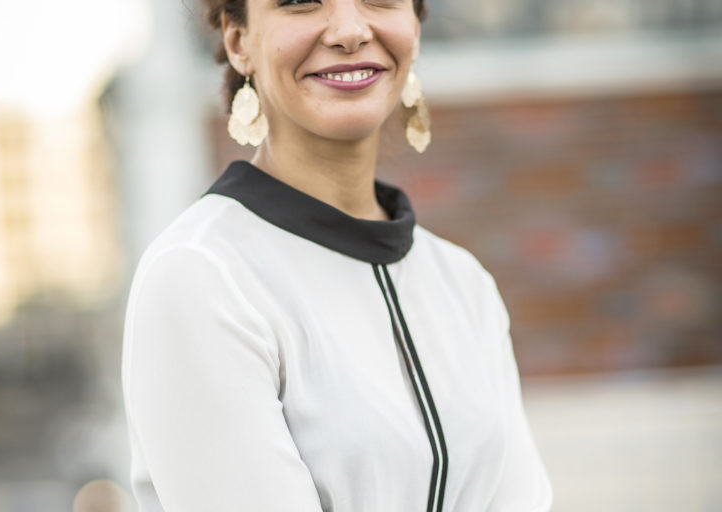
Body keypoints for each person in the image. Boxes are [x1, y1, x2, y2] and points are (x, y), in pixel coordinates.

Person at [121, 0, 553, 510]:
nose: (350, 30)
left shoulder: (463, 283)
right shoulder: (202, 276)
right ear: (238, 42)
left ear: (415, 25)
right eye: (300, 1)